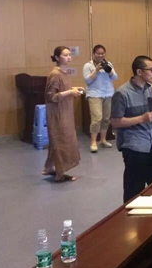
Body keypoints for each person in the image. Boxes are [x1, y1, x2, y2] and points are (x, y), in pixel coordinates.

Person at [111, 55, 152, 202]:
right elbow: (115, 122)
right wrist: (141, 118)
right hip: (134, 147)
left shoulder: (149, 89)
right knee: (134, 191)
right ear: (139, 72)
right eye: (151, 70)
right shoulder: (122, 93)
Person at [42, 46, 83, 183]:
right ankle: (60, 174)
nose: (69, 57)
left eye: (69, 54)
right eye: (65, 55)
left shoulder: (64, 72)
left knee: (59, 140)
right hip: (58, 114)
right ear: (57, 57)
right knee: (61, 141)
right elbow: (51, 96)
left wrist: (73, 89)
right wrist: (70, 92)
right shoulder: (55, 74)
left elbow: (62, 89)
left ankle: (48, 167)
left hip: (65, 111)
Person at [83, 44, 118, 153]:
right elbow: (87, 80)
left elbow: (115, 77)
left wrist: (109, 70)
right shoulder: (88, 66)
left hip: (108, 93)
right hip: (94, 94)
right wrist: (96, 70)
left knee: (106, 118)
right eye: (98, 53)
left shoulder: (109, 64)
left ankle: (103, 140)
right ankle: (93, 142)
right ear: (94, 54)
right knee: (97, 118)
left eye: (102, 53)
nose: (100, 55)